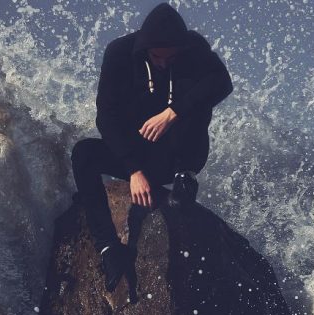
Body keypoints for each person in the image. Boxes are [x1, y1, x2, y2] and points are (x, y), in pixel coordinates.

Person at [71, 2, 233, 291]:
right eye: (158, 57)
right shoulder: (120, 53)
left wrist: (174, 112)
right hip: (137, 155)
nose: (164, 64)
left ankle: (186, 176)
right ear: (145, 47)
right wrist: (132, 168)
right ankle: (109, 248)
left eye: (171, 58)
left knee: (197, 96)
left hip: (179, 154)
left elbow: (222, 83)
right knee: (83, 154)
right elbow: (105, 116)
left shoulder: (193, 48)